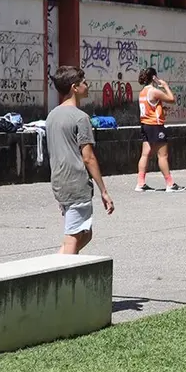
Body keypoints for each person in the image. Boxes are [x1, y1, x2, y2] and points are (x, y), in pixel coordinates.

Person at [46, 66, 115, 254]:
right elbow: (88, 157)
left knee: (85, 233)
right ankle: (57, 276)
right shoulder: (80, 118)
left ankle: (59, 262)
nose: (88, 85)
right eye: (84, 82)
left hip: (59, 181)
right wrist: (104, 191)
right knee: (73, 237)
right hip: (76, 183)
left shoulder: (52, 116)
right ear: (75, 87)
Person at [135, 67, 183, 192]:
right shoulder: (154, 91)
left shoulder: (142, 92)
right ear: (153, 77)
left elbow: (150, 107)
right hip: (155, 126)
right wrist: (165, 85)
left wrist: (161, 110)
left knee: (145, 154)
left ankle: (140, 183)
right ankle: (170, 184)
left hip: (145, 124)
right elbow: (171, 99)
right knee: (163, 155)